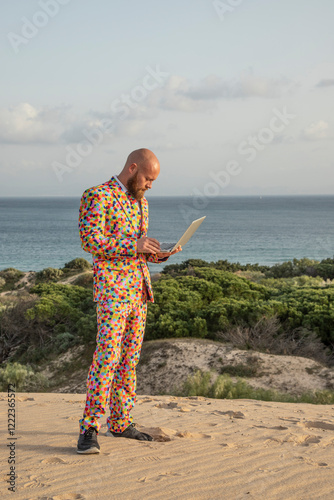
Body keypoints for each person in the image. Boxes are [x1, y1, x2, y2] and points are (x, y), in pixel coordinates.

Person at [77, 148, 181, 454]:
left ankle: (121, 423)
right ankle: (89, 429)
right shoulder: (97, 196)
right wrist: (132, 244)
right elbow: (90, 240)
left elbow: (136, 251)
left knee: (129, 361)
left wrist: (156, 254)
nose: (150, 185)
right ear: (133, 168)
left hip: (139, 292)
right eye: (148, 178)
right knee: (106, 359)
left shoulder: (142, 203)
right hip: (112, 293)